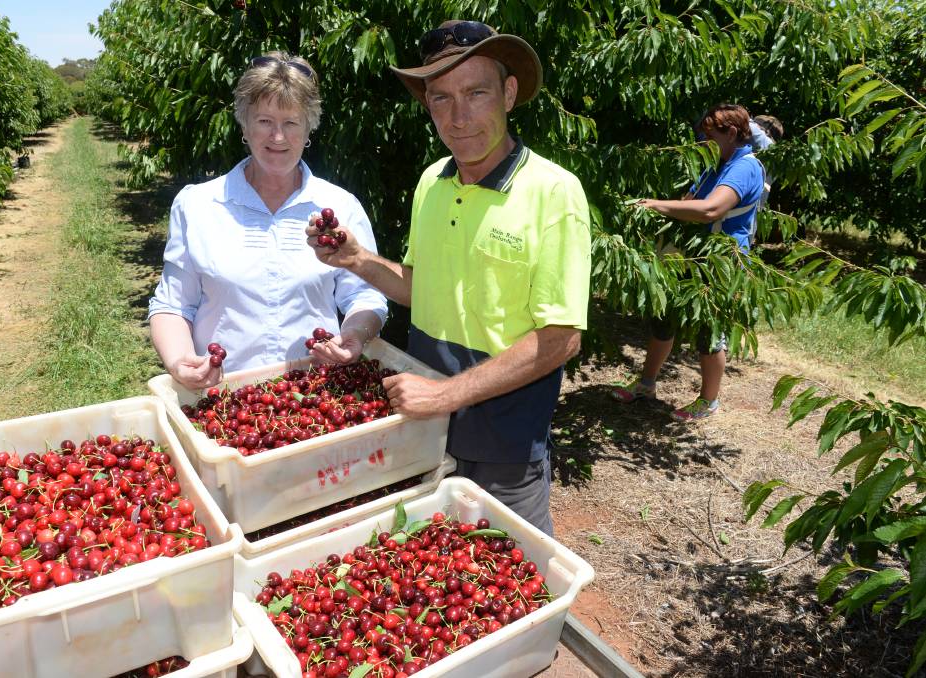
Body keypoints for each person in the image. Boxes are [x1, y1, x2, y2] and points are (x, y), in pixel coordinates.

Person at [306, 21, 591, 536]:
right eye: (441, 99)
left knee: (510, 576)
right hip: (423, 431)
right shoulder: (431, 183)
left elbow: (560, 340)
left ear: (508, 93)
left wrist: (443, 396)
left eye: (476, 93)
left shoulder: (554, 192)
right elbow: (423, 288)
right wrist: (355, 260)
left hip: (503, 442)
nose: (458, 118)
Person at [148, 52, 388, 389]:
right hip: (223, 400)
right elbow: (173, 304)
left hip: (316, 398)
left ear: (309, 129)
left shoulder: (339, 206)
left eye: (291, 123)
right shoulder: (198, 205)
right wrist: (180, 361)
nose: (278, 137)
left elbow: (366, 296)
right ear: (244, 124)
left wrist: (354, 335)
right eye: (264, 121)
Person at [610, 104, 766, 421]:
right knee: (663, 318)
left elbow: (711, 209)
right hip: (690, 255)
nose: (700, 143)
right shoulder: (715, 164)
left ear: (732, 133)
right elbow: (688, 202)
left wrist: (653, 205)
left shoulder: (745, 167)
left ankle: (708, 401)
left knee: (708, 332)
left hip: (720, 261)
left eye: (707, 136)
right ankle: (646, 383)